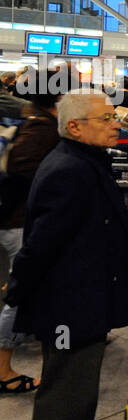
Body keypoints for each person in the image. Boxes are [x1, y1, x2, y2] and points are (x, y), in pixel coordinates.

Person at [7, 92, 128, 420]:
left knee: (79, 380)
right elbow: (42, 242)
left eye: (114, 116)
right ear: (75, 127)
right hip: (67, 301)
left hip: (83, 294)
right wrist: (17, 291)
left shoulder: (84, 160)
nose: (116, 124)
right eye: (105, 119)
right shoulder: (70, 170)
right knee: (67, 384)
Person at [0, 68, 62, 394]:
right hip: (18, 221)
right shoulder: (41, 128)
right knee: (19, 291)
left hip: (13, 218)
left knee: (18, 285)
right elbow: (20, 166)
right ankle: (2, 368)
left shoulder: (30, 118)